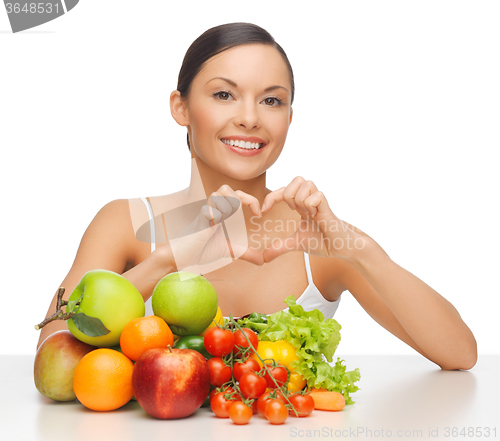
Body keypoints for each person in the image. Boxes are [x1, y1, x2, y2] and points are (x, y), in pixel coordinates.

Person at [36, 22, 477, 371]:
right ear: (181, 108)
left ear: (289, 116)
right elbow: (53, 352)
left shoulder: (317, 237)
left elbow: (460, 354)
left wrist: (361, 251)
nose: (249, 118)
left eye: (271, 100)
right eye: (224, 94)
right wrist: (165, 262)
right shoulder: (125, 223)